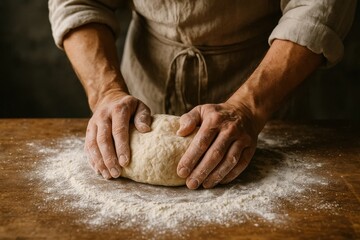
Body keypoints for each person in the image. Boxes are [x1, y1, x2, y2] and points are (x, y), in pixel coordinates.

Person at [49, 0, 356, 189]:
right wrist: (107, 91)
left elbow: (317, 7)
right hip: (145, 81)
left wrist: (248, 107)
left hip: (267, 84)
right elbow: (79, 1)